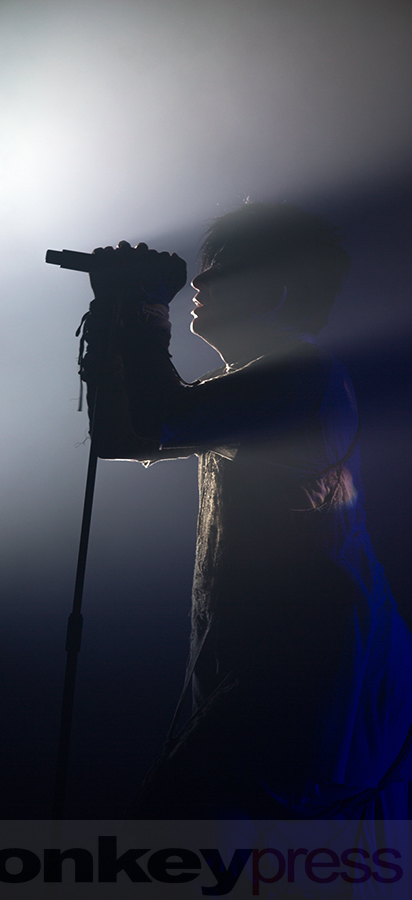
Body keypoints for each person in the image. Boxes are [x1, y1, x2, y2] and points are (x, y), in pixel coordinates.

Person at [78, 202, 412, 819]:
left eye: (217, 271)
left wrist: (145, 310)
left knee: (169, 834)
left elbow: (159, 416)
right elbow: (123, 437)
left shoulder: (303, 375)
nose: (197, 284)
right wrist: (112, 315)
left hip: (307, 666)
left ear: (274, 292)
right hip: (272, 661)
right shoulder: (252, 382)